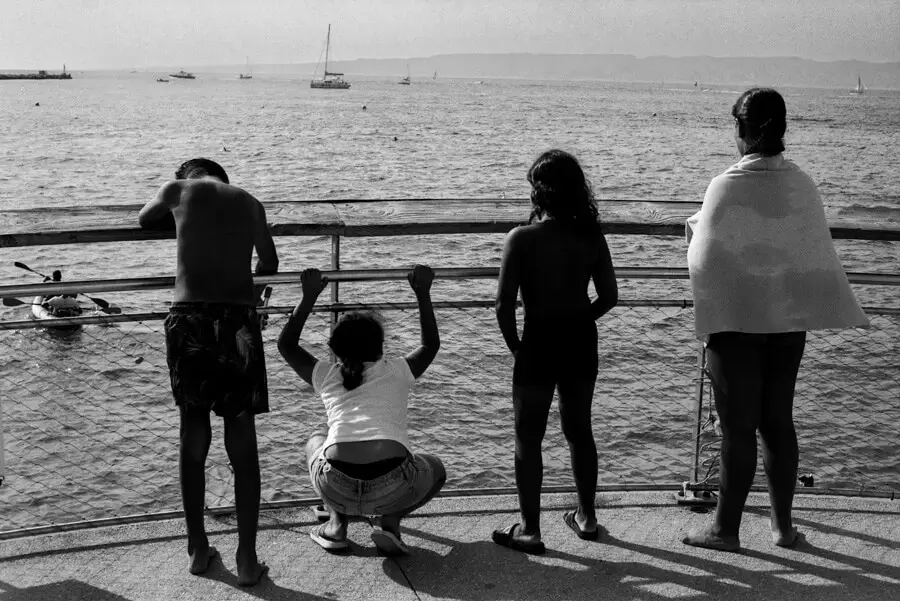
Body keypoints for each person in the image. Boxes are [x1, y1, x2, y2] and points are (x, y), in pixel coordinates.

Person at [682, 88, 869, 552]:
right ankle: (783, 528)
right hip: (787, 318)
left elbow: (705, 258)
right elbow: (804, 248)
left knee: (738, 428)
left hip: (735, 319)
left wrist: (697, 229)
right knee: (778, 422)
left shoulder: (724, 186)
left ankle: (726, 530)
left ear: (741, 130)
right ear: (783, 129)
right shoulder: (802, 184)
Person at [138, 158, 279, 585]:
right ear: (224, 179)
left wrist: (183, 225)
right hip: (238, 319)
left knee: (192, 432)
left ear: (188, 176)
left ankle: (198, 549)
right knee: (243, 439)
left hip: (189, 319)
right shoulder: (251, 204)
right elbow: (269, 263)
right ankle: (247, 558)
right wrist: (248, 290)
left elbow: (145, 221)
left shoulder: (176, 189)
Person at [492, 149, 618, 555]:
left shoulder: (522, 238)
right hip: (580, 340)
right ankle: (587, 517)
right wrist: (582, 316)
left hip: (539, 343)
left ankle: (530, 528)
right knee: (580, 431)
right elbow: (610, 296)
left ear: (539, 193)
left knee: (528, 436)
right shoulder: (590, 236)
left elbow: (503, 304)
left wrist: (518, 349)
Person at [278, 266, 446, 556]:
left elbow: (287, 345)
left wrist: (308, 297)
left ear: (336, 350)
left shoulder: (327, 374)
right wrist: (422, 293)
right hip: (394, 484)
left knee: (316, 442)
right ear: (380, 348)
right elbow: (430, 344)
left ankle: (335, 525)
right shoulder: (398, 370)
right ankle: (389, 523)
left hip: (334, 483)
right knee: (437, 469)